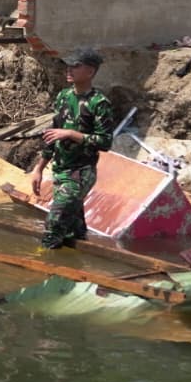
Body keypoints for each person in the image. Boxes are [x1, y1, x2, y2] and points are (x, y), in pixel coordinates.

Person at [26, 46, 115, 249]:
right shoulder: (63, 96)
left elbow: (105, 142)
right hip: (60, 170)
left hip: (80, 173)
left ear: (90, 71)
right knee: (73, 232)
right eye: (68, 65)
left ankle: (41, 261)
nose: (69, 69)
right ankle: (78, 262)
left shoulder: (99, 103)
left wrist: (71, 134)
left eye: (75, 66)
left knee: (54, 225)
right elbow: (52, 135)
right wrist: (39, 169)